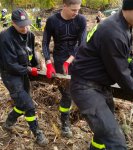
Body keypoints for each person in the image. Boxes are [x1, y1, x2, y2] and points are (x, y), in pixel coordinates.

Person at [70, 0, 133, 149]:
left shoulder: (125, 25)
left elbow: (128, 56)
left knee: (102, 134)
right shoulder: (113, 32)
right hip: (85, 87)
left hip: (100, 85)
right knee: (115, 141)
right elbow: (121, 74)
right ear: (128, 8)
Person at [0, 8, 48, 146]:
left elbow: (31, 53)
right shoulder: (4, 38)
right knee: (28, 105)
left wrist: (39, 65)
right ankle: (37, 133)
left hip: (24, 73)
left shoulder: (30, 35)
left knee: (22, 103)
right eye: (21, 26)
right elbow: (9, 64)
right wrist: (28, 69)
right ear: (13, 23)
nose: (25, 28)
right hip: (11, 75)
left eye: (27, 24)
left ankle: (9, 122)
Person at [42, 0, 86, 138]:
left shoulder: (81, 20)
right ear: (64, 6)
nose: (76, 13)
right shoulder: (52, 21)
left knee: (78, 89)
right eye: (73, 10)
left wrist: (70, 60)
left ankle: (80, 112)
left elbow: (82, 43)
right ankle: (65, 122)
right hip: (60, 57)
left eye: (78, 9)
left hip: (76, 57)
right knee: (67, 93)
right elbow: (45, 42)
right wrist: (48, 62)